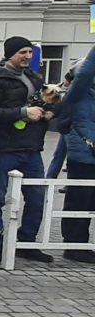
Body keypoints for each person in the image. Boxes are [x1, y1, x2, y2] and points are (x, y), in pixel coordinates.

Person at [0, 37, 55, 263]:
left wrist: (48, 108)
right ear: (10, 54)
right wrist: (22, 113)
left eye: (30, 52)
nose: (28, 56)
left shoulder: (35, 77)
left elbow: (43, 103)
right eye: (23, 52)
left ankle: (26, 242)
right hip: (4, 147)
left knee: (37, 198)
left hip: (32, 147)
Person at [54, 44, 95, 263]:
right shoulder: (79, 93)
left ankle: (82, 245)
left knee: (90, 203)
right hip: (84, 156)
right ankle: (73, 245)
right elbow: (85, 73)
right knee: (79, 200)